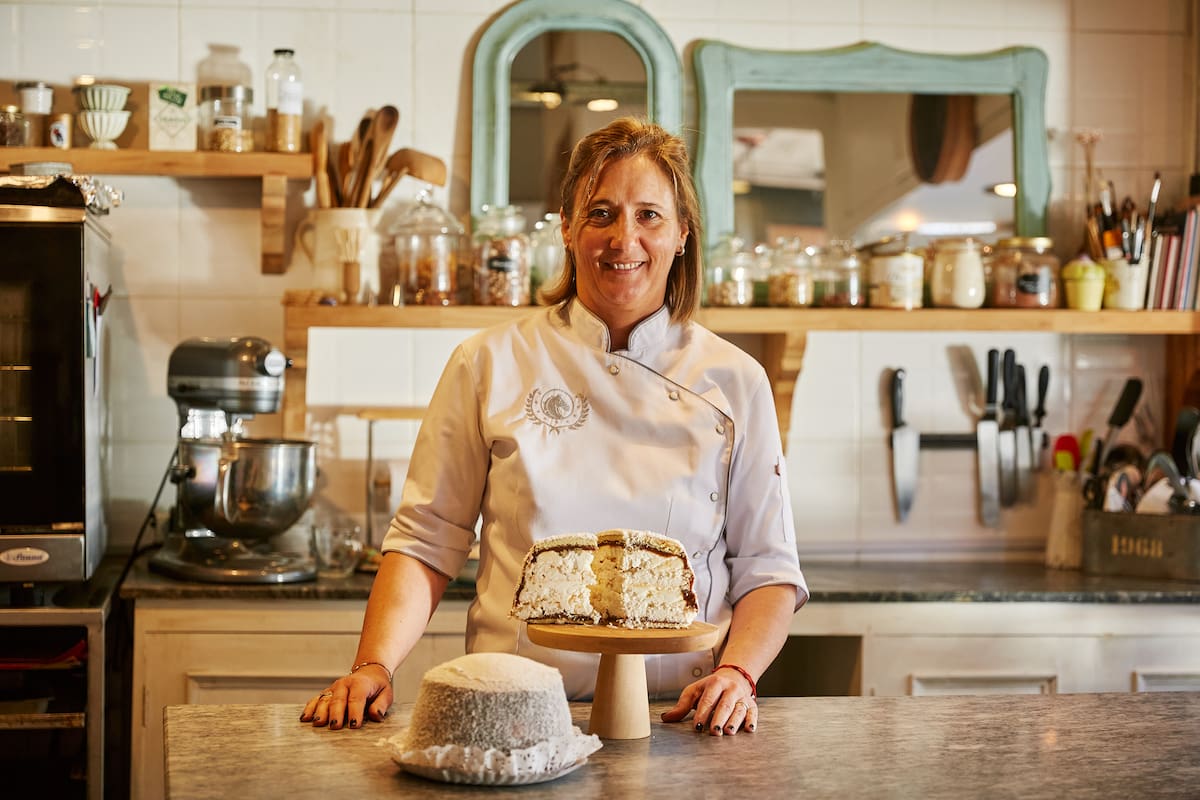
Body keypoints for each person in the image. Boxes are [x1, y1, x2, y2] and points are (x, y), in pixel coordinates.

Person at [301, 117, 807, 737]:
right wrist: (373, 665)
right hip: (512, 713)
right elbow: (427, 540)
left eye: (649, 215)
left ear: (682, 234)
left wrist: (738, 674)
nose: (625, 238)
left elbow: (767, 568)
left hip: (680, 720)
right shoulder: (488, 362)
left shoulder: (737, 380)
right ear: (567, 229)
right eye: (600, 213)